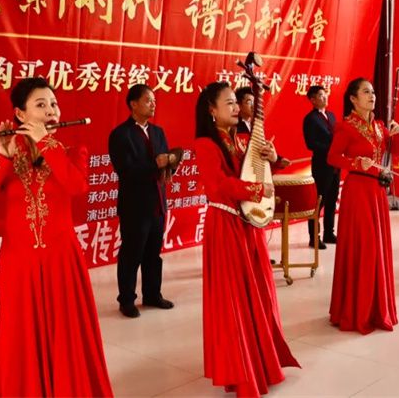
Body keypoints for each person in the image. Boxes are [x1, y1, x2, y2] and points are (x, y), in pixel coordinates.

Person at [0, 77, 113, 397]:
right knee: (22, 339)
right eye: (41, 104)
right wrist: (2, 158)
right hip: (19, 266)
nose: (51, 111)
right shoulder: (7, 153)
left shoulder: (72, 151)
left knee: (67, 336)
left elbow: (76, 186)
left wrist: (46, 143)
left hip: (63, 262)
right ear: (20, 115)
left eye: (54, 104)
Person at [194, 81, 299, 396]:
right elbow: (217, 185)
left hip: (248, 225)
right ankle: (242, 368)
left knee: (259, 292)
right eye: (228, 102)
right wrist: (256, 189)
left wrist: (271, 158)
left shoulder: (242, 141)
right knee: (235, 300)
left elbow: (258, 173)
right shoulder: (205, 144)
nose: (236, 107)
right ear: (211, 111)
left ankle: (262, 359)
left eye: (235, 102)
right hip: (226, 225)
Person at [327, 78, 399, 334]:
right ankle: (356, 309)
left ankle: (376, 308)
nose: (372, 96)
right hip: (358, 191)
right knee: (365, 247)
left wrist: (398, 134)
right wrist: (355, 163)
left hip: (377, 192)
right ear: (353, 99)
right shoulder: (345, 126)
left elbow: (393, 152)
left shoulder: (379, 126)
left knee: (377, 247)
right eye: (365, 92)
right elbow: (332, 157)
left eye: (372, 91)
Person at [108, 84, 175, 318]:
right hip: (134, 206)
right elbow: (125, 170)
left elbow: (165, 164)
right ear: (133, 104)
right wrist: (155, 164)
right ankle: (127, 300)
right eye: (148, 100)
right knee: (131, 254)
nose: (153, 104)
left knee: (153, 254)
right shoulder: (120, 134)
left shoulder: (158, 132)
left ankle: (152, 294)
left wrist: (171, 164)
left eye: (154, 100)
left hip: (157, 203)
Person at [302, 85, 340, 249]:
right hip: (322, 165)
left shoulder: (331, 116)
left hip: (335, 164)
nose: (325, 97)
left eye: (325, 94)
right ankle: (314, 237)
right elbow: (311, 143)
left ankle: (329, 233)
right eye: (320, 95)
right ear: (312, 100)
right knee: (318, 201)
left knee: (332, 199)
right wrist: (331, 149)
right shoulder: (310, 119)